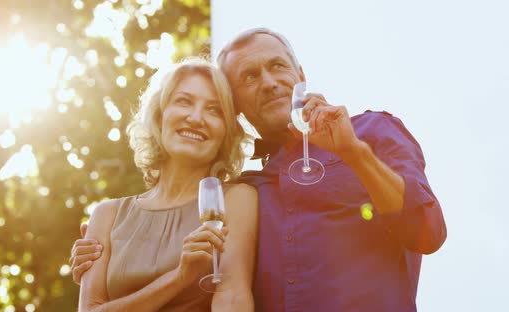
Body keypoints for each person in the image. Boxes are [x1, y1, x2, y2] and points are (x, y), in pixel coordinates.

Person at [72, 28, 447, 312]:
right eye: (249, 77)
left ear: (300, 75)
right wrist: (103, 252)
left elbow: (427, 233)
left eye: (277, 67)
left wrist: (354, 153)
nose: (268, 83)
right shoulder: (247, 190)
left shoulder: (372, 131)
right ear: (236, 107)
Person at [76, 57, 258, 312]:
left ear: (226, 132)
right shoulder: (106, 215)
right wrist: (180, 277)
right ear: (160, 117)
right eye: (184, 101)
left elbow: (232, 297)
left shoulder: (236, 200)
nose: (196, 118)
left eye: (214, 110)